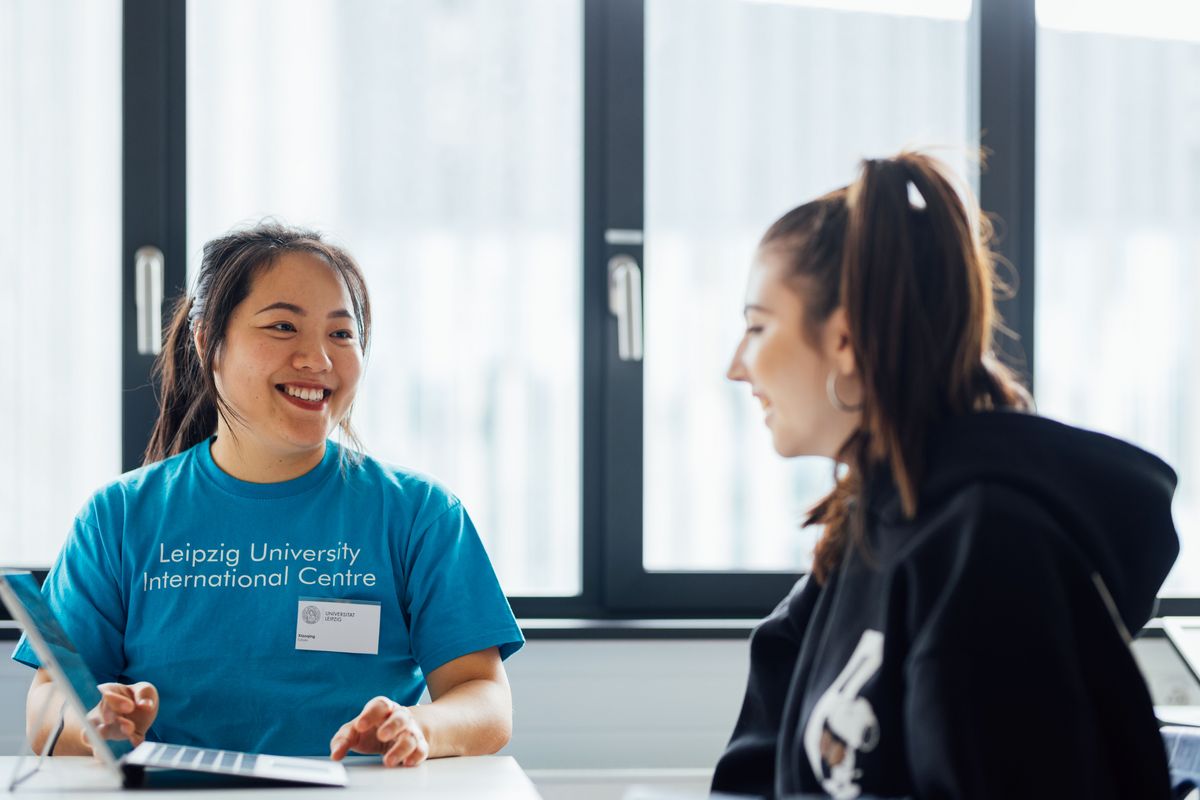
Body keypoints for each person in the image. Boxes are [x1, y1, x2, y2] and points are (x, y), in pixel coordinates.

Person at [712, 152, 1179, 799]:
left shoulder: (989, 548)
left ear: (845, 342)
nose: (738, 366)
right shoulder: (869, 527)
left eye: (758, 327)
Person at [14, 222, 523, 768]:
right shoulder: (116, 518)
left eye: (341, 334)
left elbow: (485, 698)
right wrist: (91, 722)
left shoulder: (420, 515)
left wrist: (421, 725)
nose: (318, 360)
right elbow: (47, 701)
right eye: (283, 326)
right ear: (208, 340)